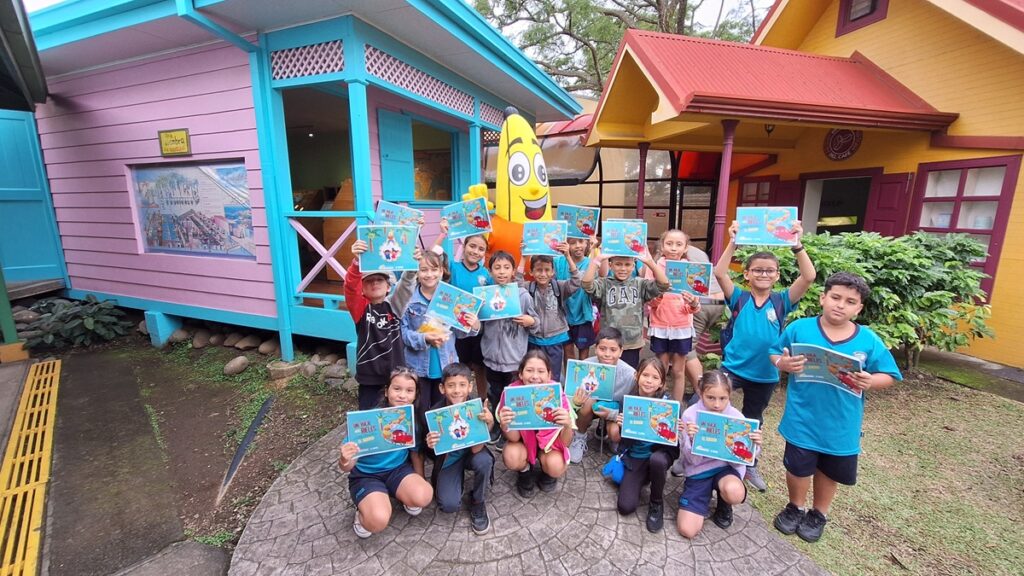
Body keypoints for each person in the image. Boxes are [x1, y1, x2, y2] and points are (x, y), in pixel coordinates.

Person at [769, 272, 901, 543]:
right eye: (836, 297)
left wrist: (869, 381)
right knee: (797, 467)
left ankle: (819, 514)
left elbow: (889, 375)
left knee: (829, 470)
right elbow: (775, 351)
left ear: (858, 308)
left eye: (850, 301)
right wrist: (782, 364)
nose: (840, 305)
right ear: (823, 298)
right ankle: (795, 506)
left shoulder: (868, 340)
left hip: (842, 422)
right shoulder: (800, 328)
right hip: (802, 416)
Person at [699, 220, 816, 491]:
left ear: (776, 275)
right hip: (733, 369)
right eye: (757, 270)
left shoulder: (782, 301)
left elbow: (808, 277)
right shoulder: (738, 297)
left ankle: (748, 464)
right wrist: (734, 241)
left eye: (769, 271)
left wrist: (797, 244)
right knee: (703, 402)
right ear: (748, 274)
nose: (764, 274)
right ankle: (698, 453)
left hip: (765, 374)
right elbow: (719, 272)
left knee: (753, 419)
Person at [338, 367, 434, 538]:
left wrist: (420, 482)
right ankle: (362, 513)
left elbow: (415, 454)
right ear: (386, 391)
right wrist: (345, 459)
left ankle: (399, 495)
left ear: (415, 395)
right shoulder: (366, 420)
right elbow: (347, 467)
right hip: (366, 476)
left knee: (424, 495)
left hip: (397, 471)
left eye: (409, 390)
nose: (402, 395)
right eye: (397, 389)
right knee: (377, 520)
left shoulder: (411, 421)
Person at [677, 370, 762, 539]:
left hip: (726, 469)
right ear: (700, 393)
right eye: (711, 397)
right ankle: (701, 496)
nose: (717, 404)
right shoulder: (690, 415)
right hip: (698, 470)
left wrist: (755, 445)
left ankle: (725, 503)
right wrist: (692, 440)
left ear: (729, 395)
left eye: (723, 398)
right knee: (687, 530)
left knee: (734, 492)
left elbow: (741, 460)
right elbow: (691, 460)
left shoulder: (736, 417)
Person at [401, 250, 480, 412]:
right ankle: (423, 438)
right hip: (417, 366)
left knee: (444, 410)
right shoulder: (408, 299)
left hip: (446, 364)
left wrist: (473, 326)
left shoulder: (451, 297)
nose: (429, 274)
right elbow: (403, 334)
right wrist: (424, 338)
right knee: (420, 410)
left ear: (442, 271)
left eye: (434, 269)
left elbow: (459, 333)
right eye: (423, 270)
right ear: (416, 272)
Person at [421, 363, 495, 535]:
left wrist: (489, 424)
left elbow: (477, 449)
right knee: (448, 505)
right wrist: (430, 444)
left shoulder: (476, 409)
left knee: (484, 460)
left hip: (472, 454)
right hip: (449, 460)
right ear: (442, 388)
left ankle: (477, 501)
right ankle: (455, 482)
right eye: (451, 385)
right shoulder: (434, 415)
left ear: (470, 386)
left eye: (462, 385)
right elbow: (432, 454)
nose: (457, 390)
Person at [344, 240, 418, 409]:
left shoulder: (395, 306)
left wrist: (413, 263)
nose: (375, 283)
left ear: (388, 287)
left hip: (396, 376)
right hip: (369, 378)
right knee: (370, 417)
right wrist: (356, 263)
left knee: (397, 418)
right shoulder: (361, 310)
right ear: (362, 288)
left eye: (379, 280)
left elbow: (406, 285)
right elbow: (350, 288)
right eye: (369, 281)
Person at [495, 351, 574, 497]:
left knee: (556, 465)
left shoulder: (557, 395)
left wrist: (567, 424)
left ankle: (547, 473)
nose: (535, 376)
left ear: (549, 375)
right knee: (511, 455)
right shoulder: (512, 394)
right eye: (529, 370)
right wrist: (505, 425)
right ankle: (525, 471)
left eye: (541, 371)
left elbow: (565, 442)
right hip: (523, 443)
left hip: (550, 446)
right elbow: (513, 438)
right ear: (520, 374)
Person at [480, 251, 540, 442]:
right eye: (497, 268)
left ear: (514, 271)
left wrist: (530, 320)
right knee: (495, 393)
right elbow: (480, 325)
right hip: (491, 358)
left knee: (512, 396)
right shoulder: (485, 296)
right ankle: (498, 425)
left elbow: (536, 322)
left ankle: (511, 430)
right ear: (490, 271)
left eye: (506, 267)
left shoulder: (522, 295)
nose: (502, 272)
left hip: (514, 360)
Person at [614, 357, 679, 533]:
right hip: (635, 456)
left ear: (661, 383)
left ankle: (656, 502)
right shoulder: (628, 402)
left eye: (655, 377)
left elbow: (673, 442)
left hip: (659, 454)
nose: (649, 381)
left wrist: (677, 429)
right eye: (645, 375)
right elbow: (624, 439)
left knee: (657, 461)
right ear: (637, 376)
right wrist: (622, 426)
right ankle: (645, 476)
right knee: (625, 507)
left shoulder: (668, 405)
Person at [433, 220, 493, 400]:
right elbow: (431, 256)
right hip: (454, 331)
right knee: (460, 369)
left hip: (477, 330)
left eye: (481, 249)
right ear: (464, 246)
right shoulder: (452, 267)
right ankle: (461, 403)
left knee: (480, 368)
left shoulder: (486, 275)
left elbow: (490, 303)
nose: (475, 251)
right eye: (472, 246)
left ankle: (482, 401)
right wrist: (443, 234)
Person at [583, 247, 670, 369]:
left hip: (631, 344)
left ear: (633, 265)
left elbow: (664, 285)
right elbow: (586, 284)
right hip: (608, 344)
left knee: (628, 376)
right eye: (618, 264)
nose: (623, 268)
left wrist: (650, 262)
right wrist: (597, 259)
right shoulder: (604, 284)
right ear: (610, 265)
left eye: (627, 264)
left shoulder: (640, 284)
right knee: (606, 375)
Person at [644, 229, 702, 402]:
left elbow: (695, 307)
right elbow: (649, 301)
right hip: (660, 326)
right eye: (669, 243)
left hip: (682, 327)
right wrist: (659, 295)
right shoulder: (654, 267)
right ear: (662, 246)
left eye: (679, 244)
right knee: (660, 370)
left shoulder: (691, 270)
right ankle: (658, 403)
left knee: (678, 371)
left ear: (685, 248)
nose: (674, 248)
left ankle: (675, 408)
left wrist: (692, 302)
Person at [568, 327, 636, 463]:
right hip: (588, 408)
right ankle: (580, 435)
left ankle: (609, 434)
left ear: (621, 351)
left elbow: (631, 407)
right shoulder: (585, 365)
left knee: (615, 433)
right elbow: (570, 399)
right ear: (595, 348)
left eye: (613, 350)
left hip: (614, 410)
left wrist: (613, 415)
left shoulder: (630, 374)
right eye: (602, 348)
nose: (607, 354)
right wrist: (576, 401)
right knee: (587, 401)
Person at [524, 247, 581, 383]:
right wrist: (523, 257)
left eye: (547, 270)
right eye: (538, 270)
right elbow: (517, 281)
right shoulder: (528, 288)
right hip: (534, 339)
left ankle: (552, 398)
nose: (543, 274)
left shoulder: (559, 287)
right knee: (535, 371)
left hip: (555, 339)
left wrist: (568, 256)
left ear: (553, 272)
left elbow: (576, 282)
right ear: (531, 272)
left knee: (553, 374)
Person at [556, 236, 599, 367]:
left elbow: (601, 274)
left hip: (584, 315)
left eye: (581, 241)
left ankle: (581, 382)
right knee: (568, 352)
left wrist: (596, 249)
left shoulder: (590, 263)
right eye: (572, 243)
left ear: (587, 243)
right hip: (564, 315)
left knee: (583, 354)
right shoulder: (558, 262)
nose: (577, 246)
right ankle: (569, 383)